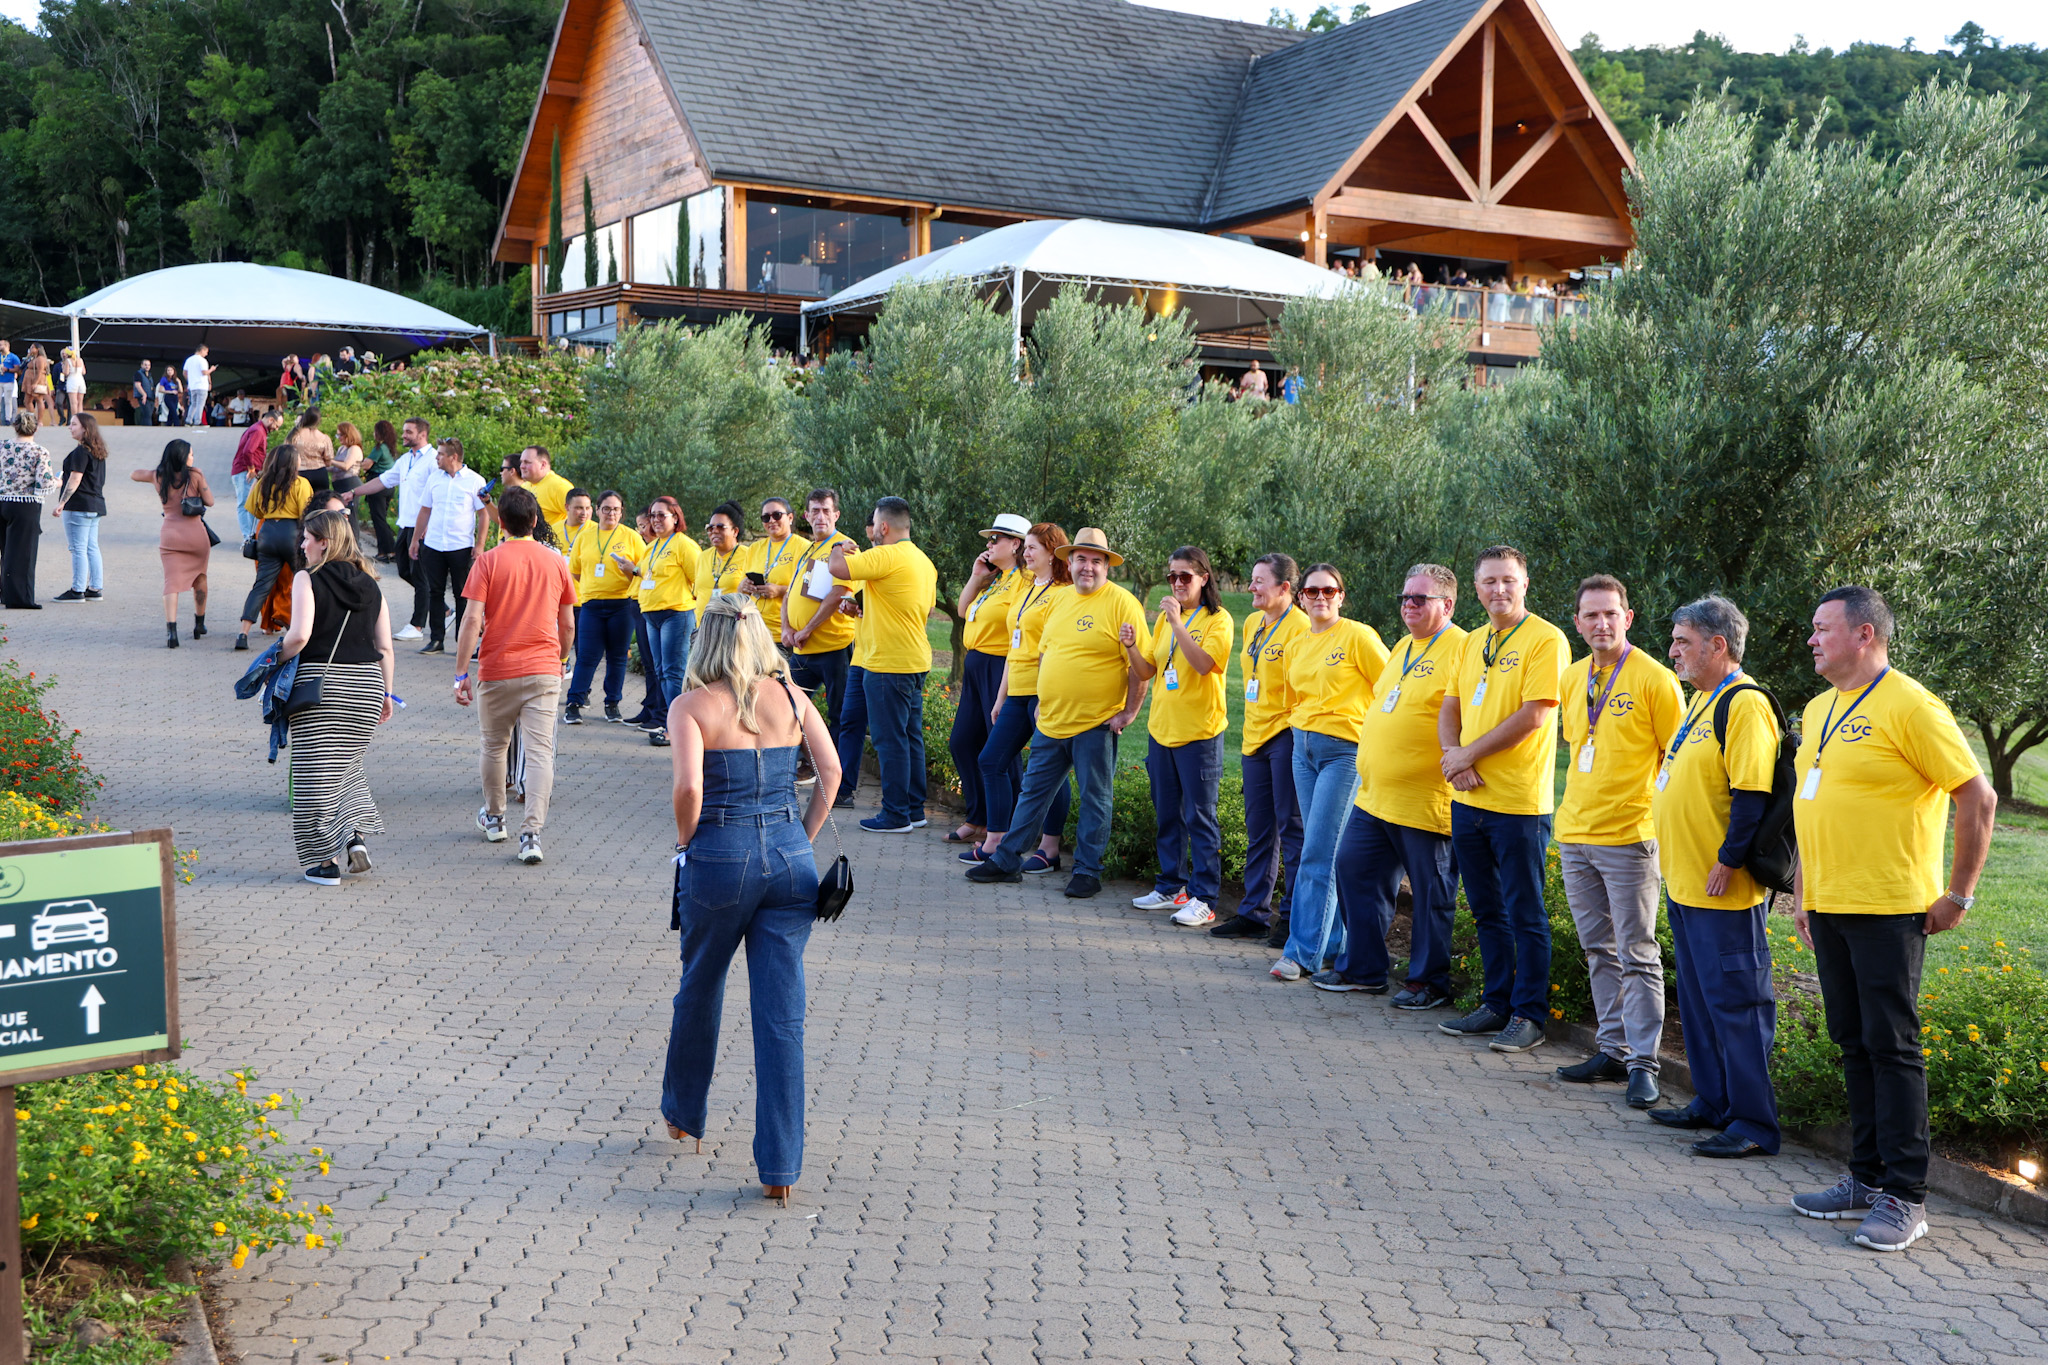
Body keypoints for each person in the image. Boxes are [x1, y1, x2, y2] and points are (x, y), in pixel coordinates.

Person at [1789, 586, 1996, 1251]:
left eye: (1824, 629)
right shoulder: (1819, 706)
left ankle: (1906, 1196)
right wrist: (1803, 893)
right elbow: (1810, 804)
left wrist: (1957, 895)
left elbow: (1978, 797)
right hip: (1831, 906)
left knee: (1892, 1046)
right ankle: (1864, 1177)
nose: (1812, 639)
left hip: (1890, 907)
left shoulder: (1912, 704)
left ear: (1866, 634)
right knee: (1853, 1041)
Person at [660, 592, 840, 1208]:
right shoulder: (793, 697)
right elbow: (833, 772)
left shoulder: (691, 706)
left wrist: (688, 842)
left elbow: (688, 786)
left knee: (700, 986)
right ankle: (781, 1168)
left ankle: (684, 1114)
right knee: (781, 1016)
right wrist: (801, 837)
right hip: (792, 860)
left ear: (704, 639)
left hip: (719, 856)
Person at [1646, 595, 1784, 1161]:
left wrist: (1728, 860)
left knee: (1737, 1004)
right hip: (1687, 883)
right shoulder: (1705, 700)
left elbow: (1751, 795)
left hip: (1721, 886)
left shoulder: (1745, 704)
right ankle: (1713, 1100)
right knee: (1700, 1000)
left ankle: (1753, 1122)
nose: (1673, 650)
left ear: (1717, 644)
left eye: (1682, 641)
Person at [1553, 575, 1684, 1110]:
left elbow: (1676, 761)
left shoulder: (1654, 679)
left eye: (1611, 614)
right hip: (1575, 836)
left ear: (1628, 618)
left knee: (1637, 952)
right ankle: (1611, 1048)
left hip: (1630, 838)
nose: (1601, 624)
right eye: (1591, 616)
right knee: (1597, 949)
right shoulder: (1572, 677)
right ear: (1578, 622)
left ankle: (1643, 1063)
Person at [966, 527, 1145, 899]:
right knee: (1033, 792)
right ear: (1070, 561)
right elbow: (1045, 652)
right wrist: (1046, 697)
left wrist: (1129, 713)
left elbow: (1141, 668)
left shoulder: (1122, 603)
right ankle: (1007, 860)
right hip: (1051, 719)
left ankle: (1087, 870)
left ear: (1107, 565)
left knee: (1095, 797)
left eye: (1097, 560)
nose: (1088, 567)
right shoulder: (1061, 600)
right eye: (1081, 559)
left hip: (1095, 722)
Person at [1437, 545, 1567, 1052]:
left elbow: (1534, 716)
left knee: (1526, 913)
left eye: (1508, 580)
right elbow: (1450, 706)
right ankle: (1496, 1004)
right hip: (1469, 801)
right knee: (1486, 909)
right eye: (1489, 581)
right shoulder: (1472, 642)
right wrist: (1454, 755)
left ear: (1525, 584)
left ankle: (1529, 1015)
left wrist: (1467, 754)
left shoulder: (1546, 640)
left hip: (1518, 806)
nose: (1499, 590)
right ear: (1475, 589)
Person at [1329, 564, 1467, 1004]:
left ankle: (1429, 983)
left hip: (1426, 799)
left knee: (1431, 897)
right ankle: (1366, 968)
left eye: (1419, 599)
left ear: (1446, 604)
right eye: (1404, 597)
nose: (1408, 605)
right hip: (1376, 797)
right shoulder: (1404, 646)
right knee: (1351, 869)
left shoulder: (1461, 649)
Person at [1274, 564, 1388, 983]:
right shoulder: (1298, 641)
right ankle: (1335, 944)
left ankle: (1302, 953)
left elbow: (1391, 687)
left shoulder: (1359, 637)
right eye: (1312, 591)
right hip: (1302, 748)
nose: (1320, 597)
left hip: (1344, 752)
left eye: (1329, 590)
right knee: (1322, 849)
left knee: (1317, 851)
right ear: (1301, 596)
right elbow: (1292, 695)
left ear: (1341, 595)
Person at [451, 487, 578, 865]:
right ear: (536, 522)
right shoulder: (556, 562)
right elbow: (567, 624)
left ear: (500, 522)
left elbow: (472, 619)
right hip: (543, 668)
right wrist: (561, 658)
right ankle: (532, 834)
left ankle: (495, 817)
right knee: (540, 754)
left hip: (497, 668)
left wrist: (460, 672)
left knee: (493, 745)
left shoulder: (488, 561)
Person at [278, 509, 394, 885]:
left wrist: (274, 659)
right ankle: (354, 838)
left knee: (314, 774)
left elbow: (299, 635)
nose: (302, 544)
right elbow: (386, 647)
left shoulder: (305, 579)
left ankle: (324, 862)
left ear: (323, 542)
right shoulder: (372, 584)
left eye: (306, 538)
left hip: (322, 686)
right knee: (347, 767)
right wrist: (387, 695)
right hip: (367, 686)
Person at [1123, 546, 1234, 926]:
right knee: (1168, 814)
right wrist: (1131, 647)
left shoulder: (1219, 619)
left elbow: (1205, 665)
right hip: (1162, 731)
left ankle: (1205, 897)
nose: (1177, 583)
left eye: (1185, 576)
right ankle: (1172, 886)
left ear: (1204, 577)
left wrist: (1177, 624)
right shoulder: (1164, 621)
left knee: (1200, 817)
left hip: (1200, 735)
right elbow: (1148, 671)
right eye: (1172, 576)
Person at [1211, 554, 1310, 942]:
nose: (1251, 588)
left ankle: (1292, 918)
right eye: (1251, 580)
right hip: (1253, 736)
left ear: (1285, 588)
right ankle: (1253, 913)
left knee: (1292, 829)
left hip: (1284, 735)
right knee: (1259, 830)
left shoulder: (1301, 628)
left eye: (1259, 582)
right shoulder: (1253, 622)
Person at [962, 523, 1071, 873]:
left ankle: (1049, 848)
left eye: (1033, 547)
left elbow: (1054, 649)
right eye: (1025, 546)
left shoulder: (1063, 593)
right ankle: (995, 839)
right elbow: (1015, 643)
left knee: (1051, 772)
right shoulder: (1027, 587)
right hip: (1016, 690)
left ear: (1053, 553)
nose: (1027, 552)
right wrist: (1001, 696)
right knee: (991, 760)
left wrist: (1046, 694)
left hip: (1044, 692)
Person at [828, 496, 939, 834]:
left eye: (875, 524)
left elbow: (837, 569)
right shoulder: (923, 562)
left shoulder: (886, 555)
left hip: (888, 664)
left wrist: (838, 546)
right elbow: (927, 610)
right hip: (914, 658)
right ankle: (914, 808)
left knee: (889, 740)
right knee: (909, 736)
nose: (872, 530)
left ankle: (895, 814)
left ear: (884, 527)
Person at [947, 513, 1029, 847]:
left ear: (1016, 544)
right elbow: (965, 611)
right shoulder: (995, 579)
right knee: (963, 743)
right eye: (990, 539)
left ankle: (1007, 828)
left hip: (1000, 667)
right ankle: (979, 817)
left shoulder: (1024, 580)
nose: (989, 544)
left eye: (996, 539)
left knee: (1001, 753)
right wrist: (975, 576)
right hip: (977, 666)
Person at [782, 488, 859, 786]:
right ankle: (808, 764)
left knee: (841, 714)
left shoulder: (844, 548)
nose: (820, 516)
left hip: (834, 648)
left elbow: (839, 593)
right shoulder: (808, 548)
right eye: (814, 510)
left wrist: (807, 629)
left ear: (836, 514)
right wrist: (787, 628)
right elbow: (791, 591)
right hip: (802, 647)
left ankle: (837, 780)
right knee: (790, 706)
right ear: (806, 515)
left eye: (826, 510)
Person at [342, 416, 437, 640]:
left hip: (422, 525)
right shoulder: (406, 460)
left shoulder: (433, 460)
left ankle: (417, 626)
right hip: (405, 523)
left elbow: (438, 497)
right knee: (404, 570)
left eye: (408, 432)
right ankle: (442, 608)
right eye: (404, 431)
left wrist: (428, 527)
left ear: (422, 435)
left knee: (420, 575)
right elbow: (383, 481)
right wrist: (355, 492)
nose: (403, 435)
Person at [563, 490, 647, 724]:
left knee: (618, 657)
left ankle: (612, 703)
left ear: (622, 513)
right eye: (606, 509)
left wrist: (629, 572)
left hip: (621, 604)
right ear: (597, 510)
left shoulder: (631, 537)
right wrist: (596, 584)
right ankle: (575, 702)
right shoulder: (585, 536)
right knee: (587, 656)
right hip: (591, 605)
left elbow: (643, 571)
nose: (611, 513)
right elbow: (577, 570)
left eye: (616, 509)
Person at [130, 439, 214, 647]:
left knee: (171, 582)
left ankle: (172, 632)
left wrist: (157, 470)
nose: (193, 458)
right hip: (196, 534)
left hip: (170, 535)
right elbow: (210, 501)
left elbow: (134, 474)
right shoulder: (195, 475)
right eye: (190, 455)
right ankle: (199, 623)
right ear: (183, 457)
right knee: (200, 577)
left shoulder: (158, 476)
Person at [631, 498, 700, 747]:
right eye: (653, 516)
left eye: (662, 515)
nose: (656, 520)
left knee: (673, 673)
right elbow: (644, 574)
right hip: (651, 615)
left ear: (675, 517)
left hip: (675, 614)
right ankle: (674, 724)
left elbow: (699, 582)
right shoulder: (652, 546)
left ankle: (679, 729)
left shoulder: (685, 545)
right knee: (661, 672)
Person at [411, 438, 487, 655]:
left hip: (460, 545)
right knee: (434, 592)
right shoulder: (434, 478)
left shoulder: (474, 481)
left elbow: (483, 515)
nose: (437, 458)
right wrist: (416, 540)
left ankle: (463, 641)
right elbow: (425, 510)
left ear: (453, 457)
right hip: (434, 544)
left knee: (462, 594)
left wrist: (480, 545)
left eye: (441, 454)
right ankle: (437, 639)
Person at [236, 443, 314, 651]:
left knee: (261, 585)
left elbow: (254, 511)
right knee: (301, 581)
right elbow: (304, 513)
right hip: (291, 534)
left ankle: (243, 633)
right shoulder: (301, 483)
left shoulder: (262, 483)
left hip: (268, 533)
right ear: (292, 462)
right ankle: (298, 629)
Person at [49, 413, 108, 603]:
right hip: (95, 505)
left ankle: (77, 589)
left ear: (85, 428)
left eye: (74, 424)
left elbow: (76, 478)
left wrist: (61, 503)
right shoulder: (97, 451)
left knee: (78, 548)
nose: (70, 427)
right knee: (91, 546)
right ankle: (95, 587)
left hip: (79, 506)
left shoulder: (81, 452)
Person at [0, 412, 54, 609]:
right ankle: (20, 598)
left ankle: (4, 592)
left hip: (2, 501)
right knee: (22, 554)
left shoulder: (3, 446)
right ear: (36, 428)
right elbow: (44, 483)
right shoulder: (39, 451)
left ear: (15, 427)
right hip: (25, 504)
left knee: (5, 551)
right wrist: (57, 482)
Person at [740, 495, 809, 644]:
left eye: (777, 515)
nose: (771, 520)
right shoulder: (754, 548)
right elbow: (741, 586)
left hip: (786, 633)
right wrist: (744, 586)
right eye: (765, 517)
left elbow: (809, 589)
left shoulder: (804, 547)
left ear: (790, 518)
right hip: (754, 632)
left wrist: (779, 590)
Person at [231, 410, 282, 543]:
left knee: (248, 503)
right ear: (271, 420)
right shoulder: (258, 431)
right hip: (244, 472)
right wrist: (251, 468)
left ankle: (251, 534)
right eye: (276, 426)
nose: (276, 429)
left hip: (244, 471)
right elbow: (248, 451)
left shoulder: (257, 429)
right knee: (246, 504)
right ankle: (249, 536)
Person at [695, 501, 750, 603]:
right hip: (702, 618)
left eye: (721, 527)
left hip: (733, 617)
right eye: (710, 528)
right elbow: (696, 594)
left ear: (735, 531)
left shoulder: (749, 555)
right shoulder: (703, 556)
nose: (714, 531)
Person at [518, 446, 574, 544]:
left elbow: (580, 517)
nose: (522, 466)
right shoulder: (524, 487)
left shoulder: (559, 486)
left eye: (527, 462)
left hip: (553, 548)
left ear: (543, 464)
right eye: (521, 462)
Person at [361, 420, 399, 559]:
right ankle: (389, 549)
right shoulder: (390, 448)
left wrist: (360, 462)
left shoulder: (379, 448)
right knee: (381, 517)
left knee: (378, 519)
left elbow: (366, 465)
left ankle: (387, 550)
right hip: (389, 486)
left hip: (378, 484)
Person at [182, 344, 214, 426]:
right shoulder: (202, 360)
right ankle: (197, 420)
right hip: (201, 385)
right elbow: (204, 372)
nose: (206, 354)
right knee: (200, 404)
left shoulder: (189, 359)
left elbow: (184, 373)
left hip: (193, 386)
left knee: (193, 403)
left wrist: (190, 380)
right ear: (202, 350)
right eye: (206, 352)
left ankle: (188, 420)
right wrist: (211, 369)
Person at [60, 348, 84, 423]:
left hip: (72, 380)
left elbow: (66, 372)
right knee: (80, 402)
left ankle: (75, 420)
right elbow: (84, 371)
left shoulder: (68, 361)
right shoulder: (80, 360)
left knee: (73, 403)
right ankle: (81, 420)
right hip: (81, 380)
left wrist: (63, 368)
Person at [126, 357, 150, 428]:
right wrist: (144, 394)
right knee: (146, 414)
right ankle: (148, 430)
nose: (147, 366)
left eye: (148, 365)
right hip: (143, 397)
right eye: (145, 365)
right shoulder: (138, 374)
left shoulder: (149, 375)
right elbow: (137, 385)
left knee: (147, 414)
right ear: (141, 365)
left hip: (150, 398)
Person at [0, 341, 20, 425]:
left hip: (9, 381)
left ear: (6, 346)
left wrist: (7, 370)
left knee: (8, 401)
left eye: (1, 345)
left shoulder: (13, 357)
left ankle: (8, 419)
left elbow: (17, 369)